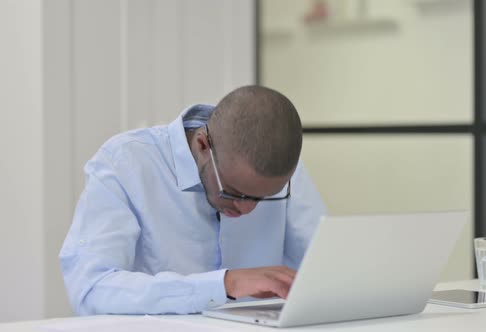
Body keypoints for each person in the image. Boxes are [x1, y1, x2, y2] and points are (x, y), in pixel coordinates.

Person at [59, 85, 327, 315]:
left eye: (265, 197)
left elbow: (324, 271)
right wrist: (224, 285)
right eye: (233, 191)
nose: (247, 208)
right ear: (202, 146)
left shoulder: (275, 171)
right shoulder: (124, 163)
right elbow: (90, 290)